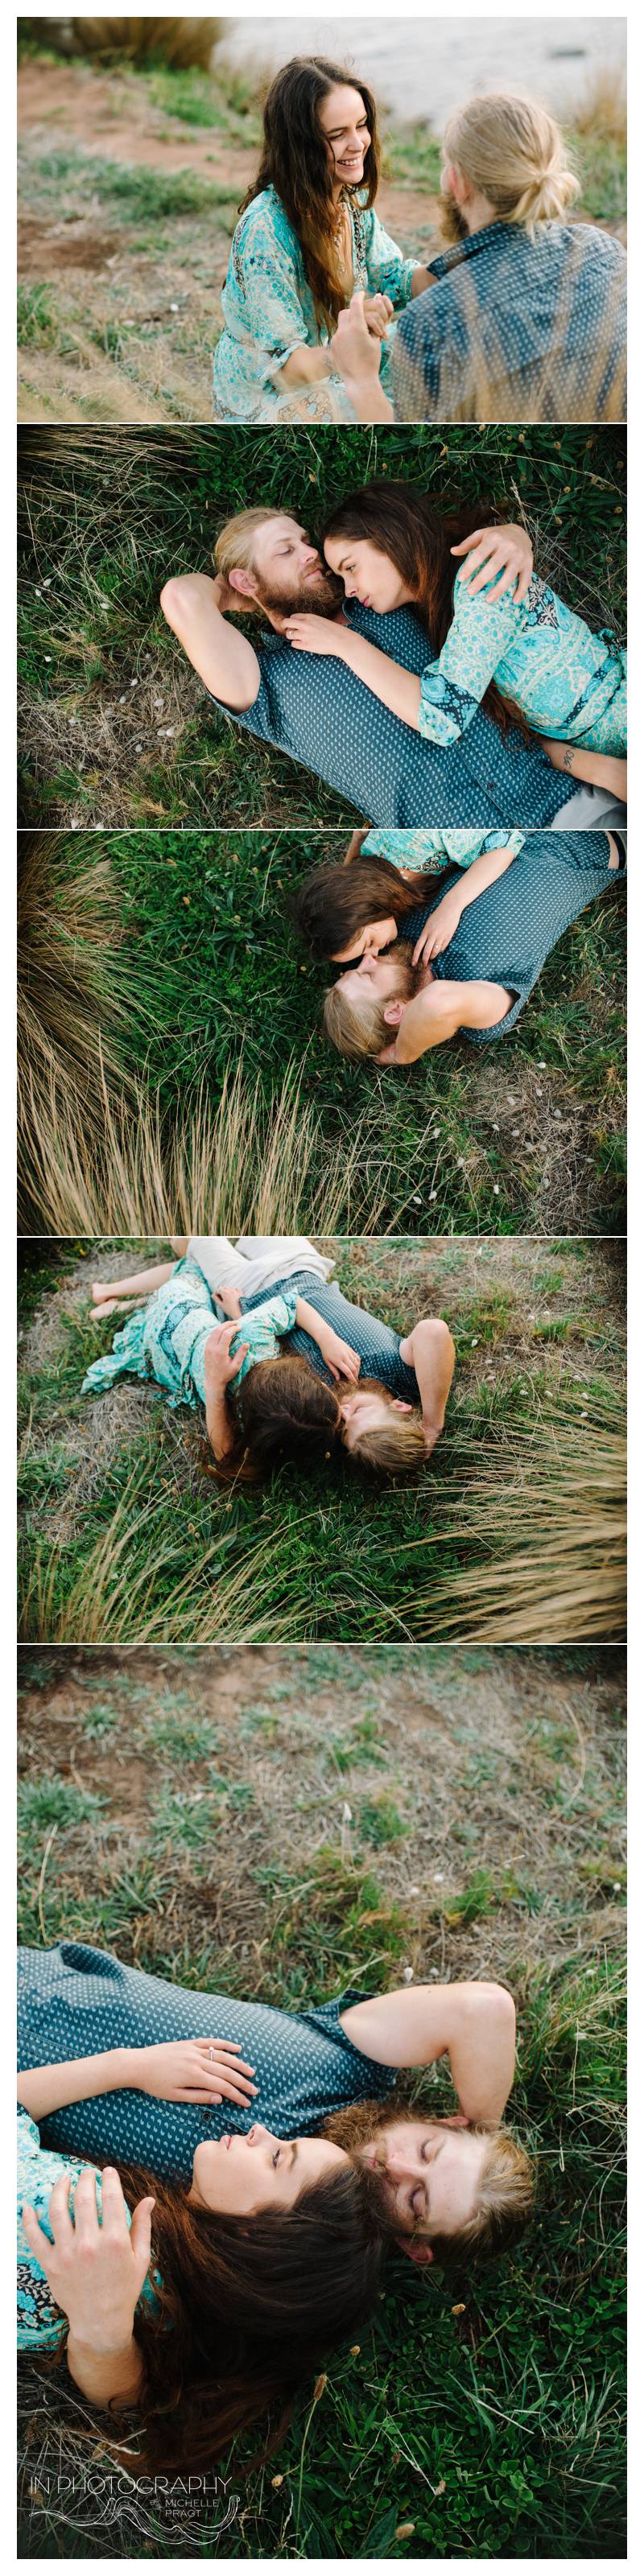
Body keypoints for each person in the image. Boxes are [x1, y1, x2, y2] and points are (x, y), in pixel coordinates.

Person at [18, 1943, 535, 2414]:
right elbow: (483, 2009)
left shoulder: (278, 2251)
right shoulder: (351, 2066)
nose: (394, 2165)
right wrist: (482, 2135)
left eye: (416, 2198)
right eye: (427, 2149)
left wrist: (102, 2329)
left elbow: (135, 2390)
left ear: (412, 2244)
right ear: (443, 2121)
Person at [18, 2037, 383, 2471]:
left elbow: (126, 2395)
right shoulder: (153, 2246)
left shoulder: (123, 2248)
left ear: (262, 2237)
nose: (260, 2132)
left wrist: (101, 2324)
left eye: (278, 2159)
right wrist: (128, 2065)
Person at [159, 509, 607, 831]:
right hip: (474, 851)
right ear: (246, 580)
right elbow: (182, 598)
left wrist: (512, 533)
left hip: (562, 791)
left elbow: (432, 538)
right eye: (286, 550)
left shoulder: (384, 596)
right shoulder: (264, 680)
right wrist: (238, 593)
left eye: (305, 540)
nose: (310, 553)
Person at [279, 480, 627, 767]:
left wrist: (346, 645)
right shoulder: (435, 607)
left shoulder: (480, 579)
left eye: (351, 567)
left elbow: (442, 718)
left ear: (392, 537)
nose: (350, 591)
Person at [328, 92, 626, 423]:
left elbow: (416, 445)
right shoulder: (605, 250)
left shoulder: (430, 322)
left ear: (459, 183)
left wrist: (361, 379)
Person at [83, 1238, 456, 1477]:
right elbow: (434, 1332)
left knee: (195, 1243)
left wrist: (238, 1314)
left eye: (345, 1430)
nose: (341, 1414)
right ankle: (123, 1298)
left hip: (249, 1287)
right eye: (357, 1413)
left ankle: (112, 1293)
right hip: (300, 1267)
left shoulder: (315, 1414)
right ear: (402, 1406)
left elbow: (267, 1367)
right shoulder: (402, 1375)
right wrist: (432, 1425)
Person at [212, 55, 432, 422]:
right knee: (363, 410)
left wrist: (458, 267)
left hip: (334, 362)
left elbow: (393, 279)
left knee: (430, 353)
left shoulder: (352, 198)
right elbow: (286, 367)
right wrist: (348, 353)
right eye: (337, 135)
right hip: (266, 397)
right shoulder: (265, 229)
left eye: (361, 125)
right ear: (301, 145)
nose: (358, 143)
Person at [317, 829, 625, 1063]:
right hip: (598, 834)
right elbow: (436, 1001)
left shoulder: (401, 937)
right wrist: (403, 1053)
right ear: (396, 1011)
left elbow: (355, 908)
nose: (368, 958)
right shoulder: (476, 1014)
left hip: (512, 816)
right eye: (365, 975)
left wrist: (354, 852)